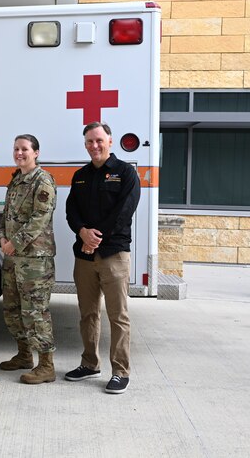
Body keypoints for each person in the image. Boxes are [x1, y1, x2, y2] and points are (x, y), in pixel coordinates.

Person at [65, 122, 141, 394]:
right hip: (84, 255)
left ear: (110, 141)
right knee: (87, 314)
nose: (94, 146)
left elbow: (124, 212)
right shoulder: (81, 175)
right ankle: (89, 364)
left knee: (117, 315)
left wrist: (95, 239)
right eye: (89, 141)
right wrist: (82, 232)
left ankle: (120, 371)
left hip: (113, 254)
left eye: (98, 140)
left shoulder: (126, 173)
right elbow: (71, 210)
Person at [0, 134, 58, 385]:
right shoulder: (16, 179)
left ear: (36, 152)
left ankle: (46, 366)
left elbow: (39, 219)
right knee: (13, 308)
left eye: (24, 149)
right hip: (13, 257)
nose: (19, 153)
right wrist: (1, 237)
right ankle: (24, 356)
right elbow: (7, 212)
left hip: (35, 260)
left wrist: (15, 243)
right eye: (16, 149)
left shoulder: (42, 180)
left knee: (35, 311)